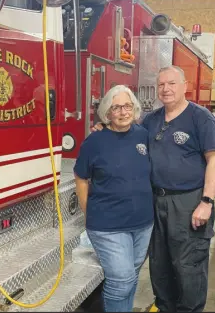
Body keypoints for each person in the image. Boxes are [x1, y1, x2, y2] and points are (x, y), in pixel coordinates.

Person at [92, 66, 215, 312]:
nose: (166, 89)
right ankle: (164, 307)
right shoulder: (151, 120)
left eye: (172, 83)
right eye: (161, 84)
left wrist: (206, 201)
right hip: (155, 203)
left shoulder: (200, 117)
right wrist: (104, 127)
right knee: (160, 266)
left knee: (189, 267)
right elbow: (125, 129)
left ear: (185, 85)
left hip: (189, 202)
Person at [74, 85, 154, 312]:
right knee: (120, 281)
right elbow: (81, 177)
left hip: (142, 223)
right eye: (116, 107)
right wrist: (87, 212)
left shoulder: (143, 135)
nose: (123, 112)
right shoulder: (95, 141)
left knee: (131, 277)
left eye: (127, 106)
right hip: (108, 225)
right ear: (107, 112)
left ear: (134, 109)